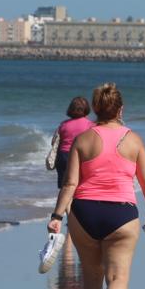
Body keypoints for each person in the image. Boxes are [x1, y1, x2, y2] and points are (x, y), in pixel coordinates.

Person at [48, 83, 145, 289]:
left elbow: (70, 183)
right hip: (121, 214)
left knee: (91, 277)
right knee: (118, 277)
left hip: (84, 213)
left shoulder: (83, 139)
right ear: (121, 109)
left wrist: (56, 215)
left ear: (95, 109)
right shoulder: (133, 140)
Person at [51, 97, 94, 261]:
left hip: (63, 156)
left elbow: (54, 142)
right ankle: (76, 218)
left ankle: (69, 217)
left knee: (65, 186)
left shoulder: (63, 124)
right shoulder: (90, 124)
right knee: (79, 186)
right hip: (80, 155)